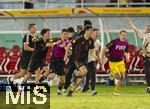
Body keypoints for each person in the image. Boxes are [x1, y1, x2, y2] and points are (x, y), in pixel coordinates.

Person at [18, 28, 52, 94]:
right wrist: (34, 38)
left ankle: (38, 83)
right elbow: (34, 40)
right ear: (44, 34)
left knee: (48, 71)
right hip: (34, 60)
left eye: (49, 33)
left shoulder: (49, 40)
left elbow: (56, 40)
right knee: (27, 77)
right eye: (48, 33)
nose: (49, 34)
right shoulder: (39, 40)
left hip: (42, 60)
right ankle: (20, 89)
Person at [64, 25, 94, 96]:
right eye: (91, 30)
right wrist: (65, 56)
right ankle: (75, 75)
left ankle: (70, 92)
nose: (92, 32)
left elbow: (92, 50)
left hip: (85, 60)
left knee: (81, 77)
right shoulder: (78, 38)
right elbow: (68, 45)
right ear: (86, 30)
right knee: (84, 72)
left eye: (92, 31)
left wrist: (94, 56)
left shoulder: (91, 40)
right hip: (77, 59)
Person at [100, 30, 130, 95]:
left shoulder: (126, 44)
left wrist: (127, 58)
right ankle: (112, 73)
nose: (124, 36)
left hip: (121, 62)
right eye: (122, 35)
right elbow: (104, 49)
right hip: (113, 62)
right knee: (118, 76)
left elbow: (127, 52)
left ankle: (115, 91)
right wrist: (101, 58)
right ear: (119, 35)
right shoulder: (114, 42)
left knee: (122, 77)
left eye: (125, 35)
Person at [125, 17, 150, 93]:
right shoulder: (143, 35)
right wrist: (129, 23)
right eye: (146, 29)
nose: (147, 30)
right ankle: (149, 87)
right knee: (147, 72)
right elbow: (135, 29)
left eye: (148, 29)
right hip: (146, 56)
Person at [49, 29, 68, 95]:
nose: (65, 35)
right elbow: (47, 43)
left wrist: (66, 48)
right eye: (64, 34)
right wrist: (55, 43)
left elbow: (70, 52)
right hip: (54, 60)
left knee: (63, 80)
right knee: (52, 76)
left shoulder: (68, 42)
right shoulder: (56, 39)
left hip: (61, 61)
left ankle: (59, 91)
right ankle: (46, 81)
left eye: (66, 34)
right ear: (61, 34)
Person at [82, 28, 101, 96]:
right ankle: (84, 86)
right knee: (85, 74)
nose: (97, 34)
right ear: (92, 33)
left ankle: (93, 90)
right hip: (84, 59)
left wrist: (99, 58)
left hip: (92, 59)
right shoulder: (87, 40)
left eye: (98, 33)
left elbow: (97, 51)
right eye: (96, 33)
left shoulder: (98, 42)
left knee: (93, 74)